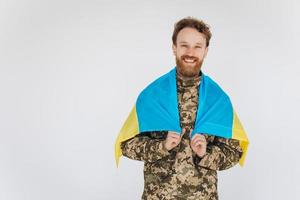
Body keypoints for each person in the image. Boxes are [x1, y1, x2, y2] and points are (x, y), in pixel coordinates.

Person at [120, 17, 243, 200]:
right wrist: (161, 146)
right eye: (184, 45)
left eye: (197, 46)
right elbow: (127, 144)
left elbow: (234, 153)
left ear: (206, 51)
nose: (190, 52)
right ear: (174, 47)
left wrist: (205, 153)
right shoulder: (152, 95)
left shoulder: (218, 100)